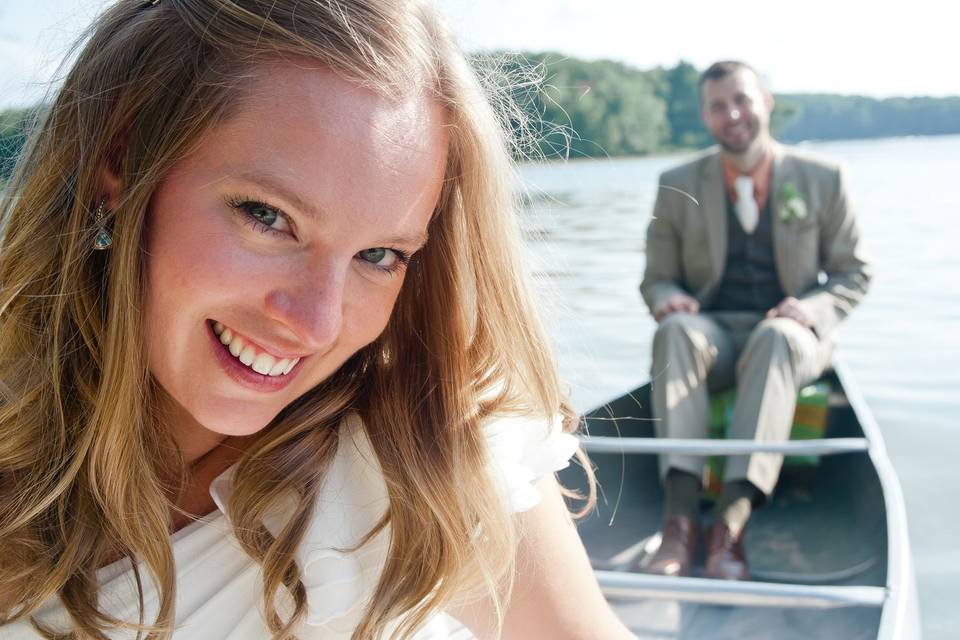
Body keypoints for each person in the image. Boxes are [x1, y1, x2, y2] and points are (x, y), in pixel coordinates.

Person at [0, 1, 636, 638]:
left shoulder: (429, 461)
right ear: (123, 157)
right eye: (269, 217)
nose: (316, 323)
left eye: (378, 255)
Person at [638, 60, 871, 581]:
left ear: (765, 101)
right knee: (673, 332)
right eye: (718, 107)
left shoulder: (824, 178)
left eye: (741, 100)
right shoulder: (676, 183)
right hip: (712, 335)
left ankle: (730, 529)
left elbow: (854, 272)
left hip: (791, 338)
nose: (733, 115)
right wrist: (668, 298)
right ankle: (679, 523)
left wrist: (809, 309)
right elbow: (655, 278)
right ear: (705, 116)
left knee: (777, 337)